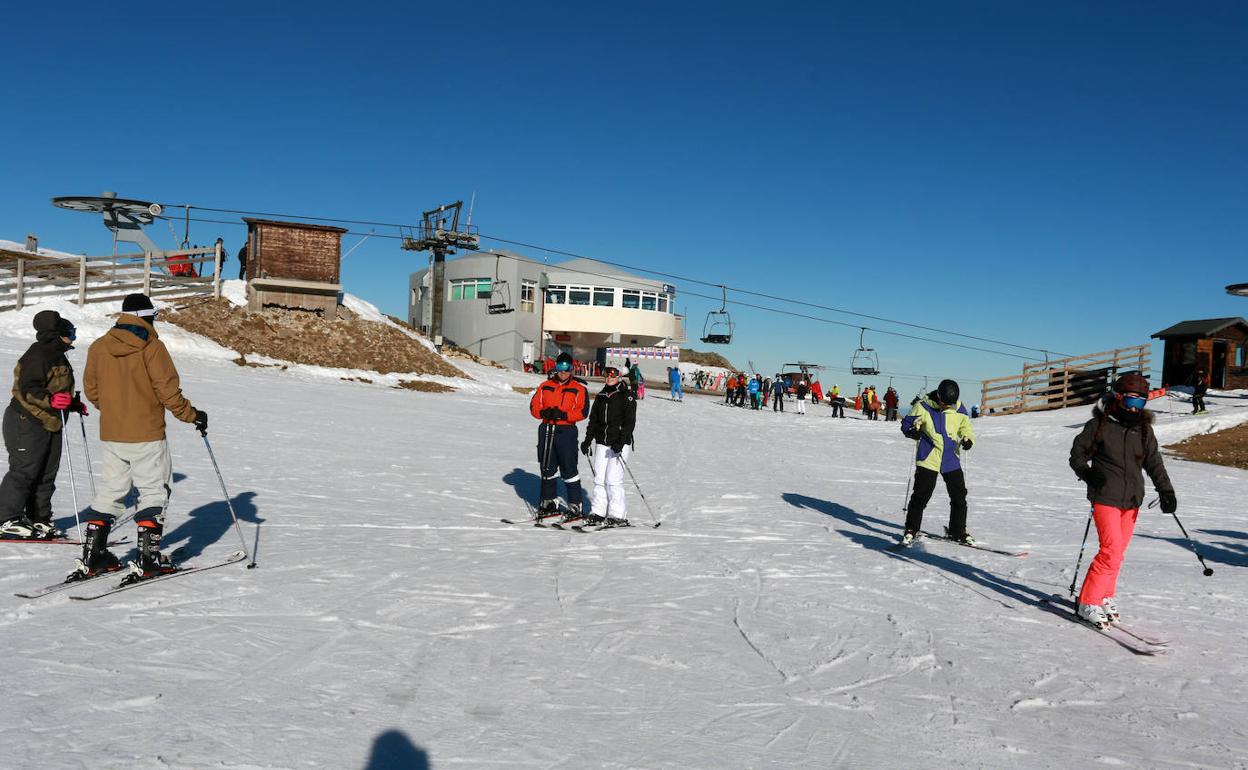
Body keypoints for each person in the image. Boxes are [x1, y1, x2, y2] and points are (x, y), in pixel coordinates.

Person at [75, 294, 207, 579]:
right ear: (147, 316)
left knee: (112, 490)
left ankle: (94, 555)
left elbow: (92, 389)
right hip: (146, 432)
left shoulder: (99, 346)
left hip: (112, 432)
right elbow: (167, 390)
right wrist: (192, 415)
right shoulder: (152, 346)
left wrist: (114, 410)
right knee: (153, 491)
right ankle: (148, 558)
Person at [1069, 373, 1176, 628]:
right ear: (1118, 397)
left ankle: (1105, 595)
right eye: (1130, 400)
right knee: (1110, 551)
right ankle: (1087, 601)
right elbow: (1077, 455)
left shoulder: (1143, 430)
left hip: (1131, 499)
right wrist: (1087, 474)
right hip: (1105, 495)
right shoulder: (1100, 425)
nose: (1134, 407)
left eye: (1140, 402)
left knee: (1118, 553)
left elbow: (1154, 463)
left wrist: (1166, 491)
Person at [0, 311, 84, 540]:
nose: (72, 338)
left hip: (51, 420)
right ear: (56, 334)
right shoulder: (38, 355)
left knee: (47, 472)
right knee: (24, 471)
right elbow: (28, 388)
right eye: (70, 333)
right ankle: (5, 519)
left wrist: (72, 404)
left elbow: (56, 388)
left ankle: (38, 517)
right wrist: (52, 400)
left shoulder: (57, 355)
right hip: (27, 420)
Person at [898, 379, 977, 547]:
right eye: (944, 404)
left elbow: (966, 427)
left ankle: (958, 531)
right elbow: (906, 424)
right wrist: (911, 432)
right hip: (929, 457)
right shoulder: (923, 406)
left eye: (950, 404)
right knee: (921, 496)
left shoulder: (959, 407)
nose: (947, 407)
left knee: (959, 496)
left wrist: (968, 439)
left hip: (950, 458)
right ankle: (911, 529)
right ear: (939, 397)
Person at [529, 352, 590, 521]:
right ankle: (549, 502)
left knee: (568, 468)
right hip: (547, 428)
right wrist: (543, 412)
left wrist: (564, 415)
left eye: (567, 368)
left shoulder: (579, 389)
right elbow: (534, 406)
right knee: (547, 466)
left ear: (571, 369)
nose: (563, 371)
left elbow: (583, 411)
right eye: (560, 367)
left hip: (566, 431)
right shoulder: (545, 386)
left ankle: (575, 505)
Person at [580, 366, 637, 526]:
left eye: (613, 374)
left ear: (619, 376)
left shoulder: (626, 395)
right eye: (607, 374)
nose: (609, 377)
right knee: (599, 479)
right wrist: (587, 440)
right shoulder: (601, 396)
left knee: (613, 479)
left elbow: (629, 422)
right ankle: (598, 512)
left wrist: (621, 441)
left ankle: (617, 515)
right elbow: (593, 421)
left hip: (619, 443)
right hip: (602, 443)